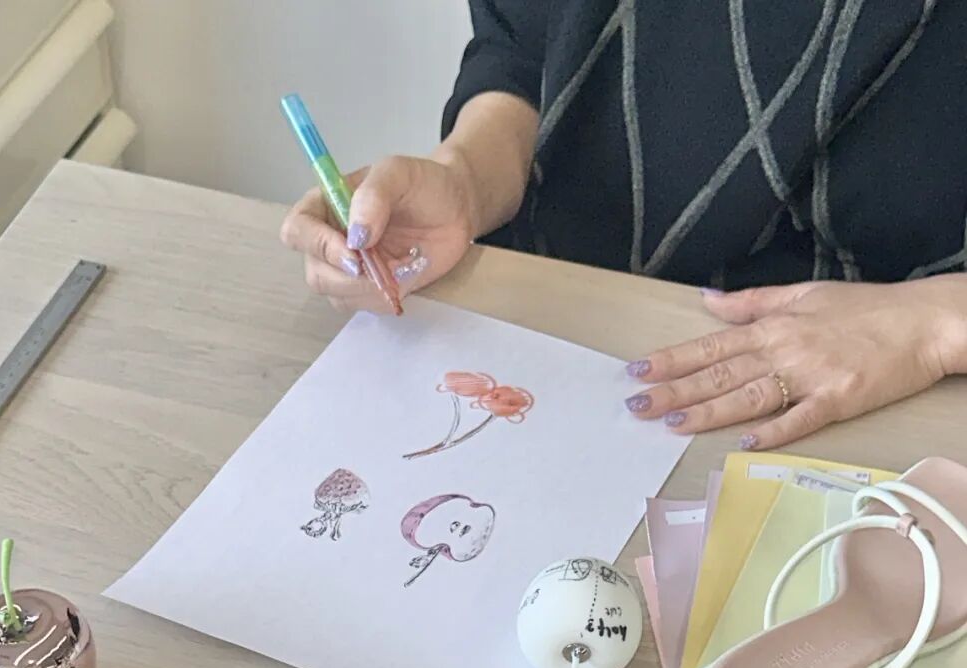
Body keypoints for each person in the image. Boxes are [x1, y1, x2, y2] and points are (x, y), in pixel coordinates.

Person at [281, 2, 967, 452]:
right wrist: (465, 177)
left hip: (879, 381)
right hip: (561, 326)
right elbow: (527, 49)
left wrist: (934, 325)